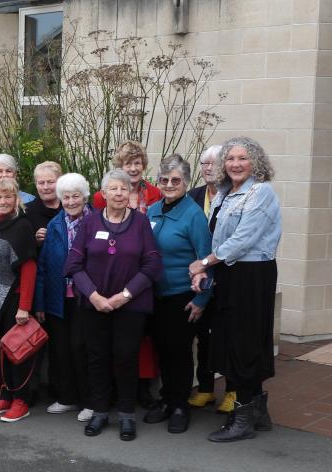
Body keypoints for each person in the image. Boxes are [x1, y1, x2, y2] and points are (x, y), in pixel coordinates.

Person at [188, 137, 281, 443]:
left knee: (246, 343)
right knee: (232, 342)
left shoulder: (261, 192)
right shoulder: (226, 193)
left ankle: (243, 417)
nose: (236, 164)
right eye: (230, 159)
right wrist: (208, 273)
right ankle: (257, 410)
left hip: (252, 276)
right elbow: (218, 240)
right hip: (229, 275)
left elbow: (242, 240)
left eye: (243, 158)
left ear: (255, 162)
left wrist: (203, 263)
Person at [65, 169, 163, 441]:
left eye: (124, 189)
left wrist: (126, 295)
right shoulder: (90, 223)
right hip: (94, 305)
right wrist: (94, 296)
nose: (119, 193)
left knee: (126, 358)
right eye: (113, 188)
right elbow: (73, 264)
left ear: (129, 193)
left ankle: (127, 414)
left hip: (130, 305)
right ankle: (99, 412)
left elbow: (153, 263)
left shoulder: (141, 223)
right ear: (103, 194)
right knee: (97, 358)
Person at [143, 155, 213, 434]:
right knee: (161, 348)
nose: (169, 184)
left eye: (176, 180)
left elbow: (206, 258)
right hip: (154, 295)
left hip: (182, 296)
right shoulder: (151, 210)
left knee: (179, 352)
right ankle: (166, 399)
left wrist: (201, 299)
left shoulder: (193, 214)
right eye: (164, 180)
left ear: (185, 182)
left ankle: (180, 404)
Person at [0, 178, 38, 423]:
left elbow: (29, 269)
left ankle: (21, 401)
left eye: (8, 197)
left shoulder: (22, 226)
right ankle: (5, 396)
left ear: (16, 200)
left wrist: (24, 307)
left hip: (12, 300)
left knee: (16, 353)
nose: (2, 202)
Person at [33, 173, 94, 422]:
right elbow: (44, 265)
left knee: (84, 348)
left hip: (87, 297)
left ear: (85, 196)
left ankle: (90, 401)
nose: (70, 202)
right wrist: (40, 302)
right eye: (66, 197)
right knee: (62, 350)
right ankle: (67, 398)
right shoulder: (55, 225)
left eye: (75, 196)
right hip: (58, 297)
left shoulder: (97, 221)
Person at [186, 144, 235, 412]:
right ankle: (205, 388)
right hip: (199, 278)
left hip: (228, 277)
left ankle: (232, 390)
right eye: (204, 163)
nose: (208, 168)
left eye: (213, 163)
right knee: (202, 335)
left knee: (228, 335)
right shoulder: (193, 196)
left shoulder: (234, 197)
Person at [92, 141, 163, 213]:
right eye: (128, 164)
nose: (133, 169)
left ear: (143, 165)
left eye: (137, 163)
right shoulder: (103, 196)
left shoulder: (155, 194)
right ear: (120, 166)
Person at [25, 161, 63, 245]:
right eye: (41, 183)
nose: (46, 187)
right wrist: (36, 241)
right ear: (36, 184)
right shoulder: (26, 211)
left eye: (50, 182)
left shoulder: (70, 208)